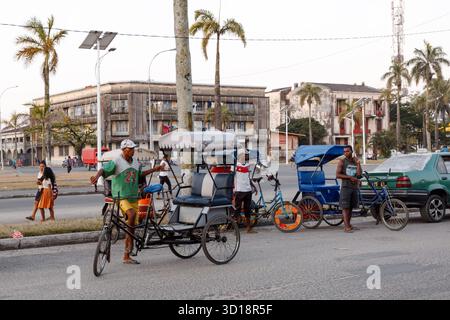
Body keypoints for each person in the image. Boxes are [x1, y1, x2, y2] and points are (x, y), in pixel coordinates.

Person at [90, 139, 162, 265]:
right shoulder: (117, 161)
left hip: (134, 197)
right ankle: (129, 245)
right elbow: (104, 170)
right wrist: (96, 177)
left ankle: (127, 255)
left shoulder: (135, 162)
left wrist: (155, 169)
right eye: (130, 149)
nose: (133, 151)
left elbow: (140, 175)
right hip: (121, 196)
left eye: (133, 148)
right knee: (132, 217)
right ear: (124, 150)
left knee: (133, 224)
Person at [336, 145, 362, 233]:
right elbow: (338, 175)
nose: (345, 153)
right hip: (346, 187)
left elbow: (359, 175)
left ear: (351, 151)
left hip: (354, 187)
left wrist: (358, 163)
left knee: (351, 207)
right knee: (345, 207)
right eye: (344, 151)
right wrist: (349, 177)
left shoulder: (355, 161)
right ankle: (346, 227)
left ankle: (349, 224)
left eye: (347, 151)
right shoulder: (342, 161)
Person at [234, 153, 258, 233]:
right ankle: (236, 230)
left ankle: (248, 228)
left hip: (248, 190)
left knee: (247, 210)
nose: (246, 157)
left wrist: (254, 187)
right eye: (244, 155)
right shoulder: (235, 166)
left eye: (246, 156)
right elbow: (231, 177)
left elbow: (248, 178)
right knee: (237, 210)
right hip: (239, 190)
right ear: (239, 157)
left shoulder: (248, 165)